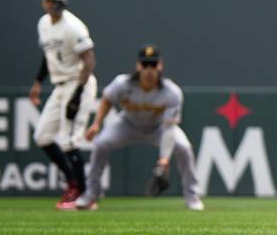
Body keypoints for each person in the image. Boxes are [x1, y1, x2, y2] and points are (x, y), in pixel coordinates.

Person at [63, 44, 203, 212]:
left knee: (184, 148)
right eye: (145, 65)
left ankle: (192, 196)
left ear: (160, 66)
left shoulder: (171, 92)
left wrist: (164, 160)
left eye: (153, 65)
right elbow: (107, 99)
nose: (149, 70)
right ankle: (90, 194)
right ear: (138, 66)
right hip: (127, 124)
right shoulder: (123, 83)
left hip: (158, 128)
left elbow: (168, 128)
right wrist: (97, 123)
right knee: (101, 144)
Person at [29, 0, 96, 209]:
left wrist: (77, 94)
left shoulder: (73, 27)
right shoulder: (43, 24)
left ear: (60, 3)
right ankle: (72, 183)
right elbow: (49, 56)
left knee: (69, 140)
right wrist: (38, 81)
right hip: (59, 85)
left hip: (79, 83)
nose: (48, 5)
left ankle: (84, 195)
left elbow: (89, 60)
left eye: (52, 1)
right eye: (46, 1)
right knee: (42, 136)